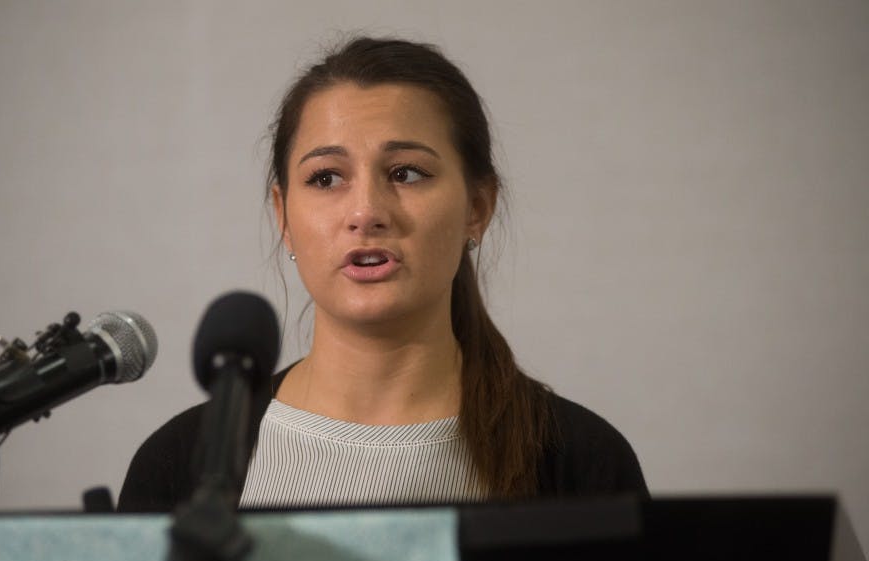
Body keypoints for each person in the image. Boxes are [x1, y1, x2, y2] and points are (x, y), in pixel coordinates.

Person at [117, 37, 646, 512]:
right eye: (326, 178)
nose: (366, 211)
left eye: (406, 173)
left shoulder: (579, 462)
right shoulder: (179, 468)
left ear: (477, 208)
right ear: (282, 215)